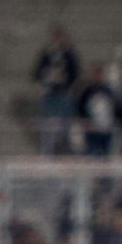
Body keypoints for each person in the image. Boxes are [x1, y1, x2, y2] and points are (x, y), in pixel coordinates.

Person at [33, 25, 80, 154]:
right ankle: (48, 152)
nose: (57, 39)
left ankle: (66, 150)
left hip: (63, 93)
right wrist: (46, 79)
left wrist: (67, 82)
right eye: (54, 36)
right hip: (50, 93)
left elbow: (75, 72)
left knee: (66, 124)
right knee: (49, 125)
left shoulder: (69, 53)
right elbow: (37, 73)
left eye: (59, 36)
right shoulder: (46, 54)